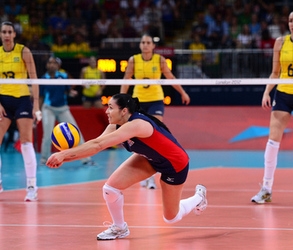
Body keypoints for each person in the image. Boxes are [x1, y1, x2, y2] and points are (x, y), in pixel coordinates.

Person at [46, 93, 207, 240]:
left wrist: (64, 154)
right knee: (110, 189)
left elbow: (97, 145)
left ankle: (199, 197)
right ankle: (119, 227)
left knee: (171, 217)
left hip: (175, 163)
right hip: (150, 158)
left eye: (110, 108)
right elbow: (94, 147)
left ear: (124, 111)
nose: (106, 111)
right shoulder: (115, 126)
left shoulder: (137, 124)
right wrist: (63, 159)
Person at [120, 33, 190, 189]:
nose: (145, 45)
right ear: (140, 45)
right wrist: (120, 101)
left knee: (155, 136)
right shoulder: (133, 60)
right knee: (139, 139)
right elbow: (126, 80)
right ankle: (144, 174)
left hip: (156, 100)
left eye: (148, 42)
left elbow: (170, 77)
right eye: (143, 42)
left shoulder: (159, 60)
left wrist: (182, 92)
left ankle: (152, 176)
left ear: (153, 46)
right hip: (138, 101)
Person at [251, 10, 293, 204]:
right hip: (283, 94)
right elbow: (275, 72)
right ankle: (266, 189)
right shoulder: (280, 42)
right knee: (272, 142)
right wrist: (266, 91)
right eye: (291, 20)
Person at [0, 21, 40, 201]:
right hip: (2, 101)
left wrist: (36, 105)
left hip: (22, 100)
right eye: (4, 32)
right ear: (0, 35)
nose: (7, 35)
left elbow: (34, 78)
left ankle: (31, 186)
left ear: (14, 34)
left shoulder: (23, 51)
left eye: (10, 31)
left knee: (26, 142)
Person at [39, 56, 94, 166]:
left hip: (63, 108)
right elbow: (41, 96)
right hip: (48, 108)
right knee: (48, 135)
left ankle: (86, 159)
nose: (52, 65)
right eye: (50, 62)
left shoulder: (63, 76)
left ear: (58, 66)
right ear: (47, 65)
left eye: (54, 63)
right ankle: (44, 159)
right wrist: (38, 111)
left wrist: (71, 93)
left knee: (75, 132)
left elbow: (67, 90)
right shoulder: (43, 78)